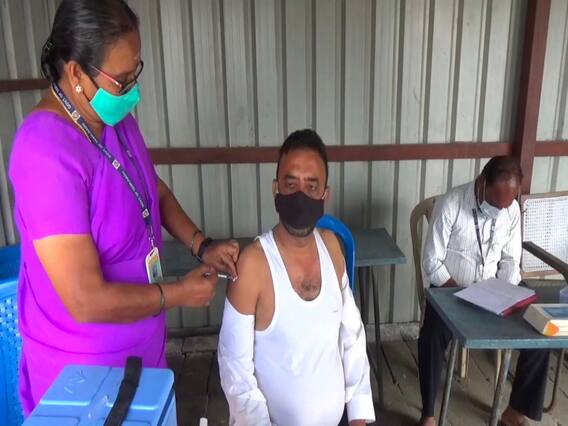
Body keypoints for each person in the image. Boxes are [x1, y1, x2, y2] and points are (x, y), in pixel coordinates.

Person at [8, 0, 239, 415]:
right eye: (122, 81)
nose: (132, 92)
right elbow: (85, 300)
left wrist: (201, 245)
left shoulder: (112, 119)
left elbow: (151, 191)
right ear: (76, 72)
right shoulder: (44, 153)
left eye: (136, 73)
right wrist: (178, 294)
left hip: (141, 349)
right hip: (85, 373)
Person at [217, 129, 375, 426]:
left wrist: (358, 415)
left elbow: (352, 335)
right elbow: (235, 371)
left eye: (311, 187)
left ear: (325, 195)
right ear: (275, 189)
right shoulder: (253, 265)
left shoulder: (331, 247)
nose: (301, 196)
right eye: (291, 185)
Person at [419, 156, 550, 426]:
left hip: (495, 292)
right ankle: (429, 414)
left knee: (540, 331)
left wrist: (504, 292)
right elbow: (432, 262)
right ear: (481, 183)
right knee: (431, 336)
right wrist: (461, 293)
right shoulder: (451, 204)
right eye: (494, 203)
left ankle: (515, 412)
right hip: (451, 292)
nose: (499, 210)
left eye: (505, 205)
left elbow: (511, 260)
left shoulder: (511, 210)